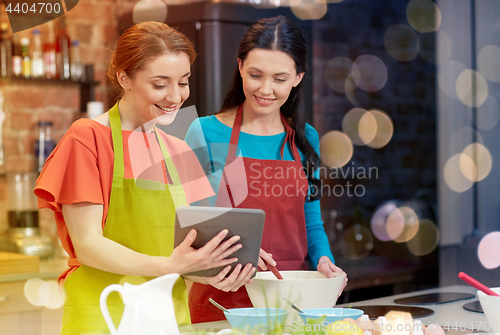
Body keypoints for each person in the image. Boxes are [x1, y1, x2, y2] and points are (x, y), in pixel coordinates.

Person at [34, 21, 255, 335]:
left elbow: (183, 254)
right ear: (124, 78)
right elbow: (88, 245)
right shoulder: (87, 138)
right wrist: (171, 267)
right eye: (160, 83)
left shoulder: (179, 148)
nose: (175, 96)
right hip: (104, 315)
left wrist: (217, 267)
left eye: (183, 81)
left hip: (167, 317)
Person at [185, 16, 348, 323]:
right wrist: (239, 250)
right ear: (240, 67)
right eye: (256, 75)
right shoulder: (202, 132)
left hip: (290, 300)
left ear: (298, 77)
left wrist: (325, 261)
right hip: (223, 300)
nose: (265, 89)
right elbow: (190, 226)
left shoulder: (305, 138)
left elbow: (310, 223)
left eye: (280, 78)